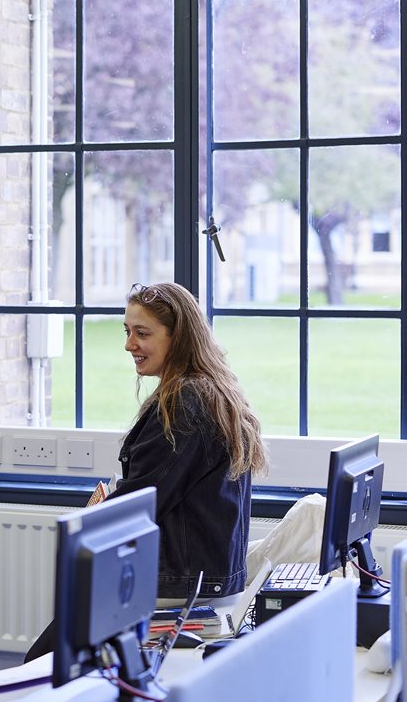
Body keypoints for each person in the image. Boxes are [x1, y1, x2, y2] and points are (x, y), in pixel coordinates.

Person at [27, 281, 267, 659]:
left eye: (143, 333)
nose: (129, 344)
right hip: (205, 579)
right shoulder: (211, 390)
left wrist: (92, 519)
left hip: (178, 587)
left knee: (42, 662)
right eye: (127, 331)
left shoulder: (185, 404)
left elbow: (138, 506)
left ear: (180, 339)